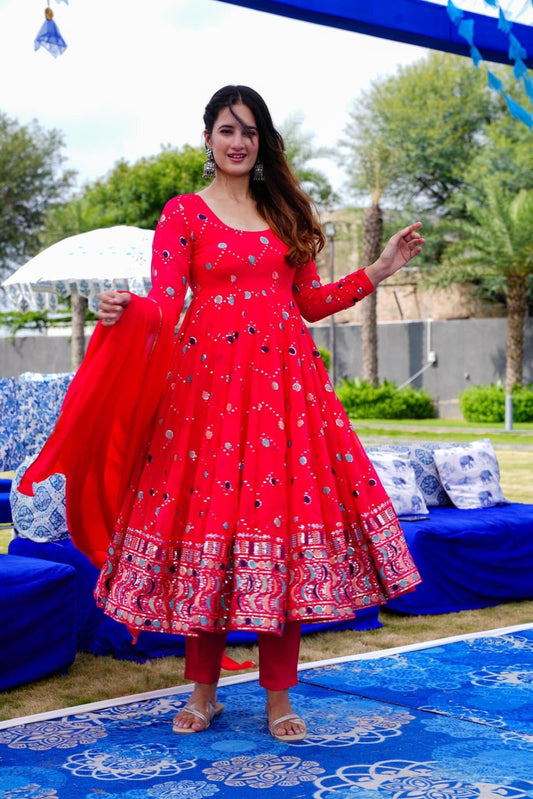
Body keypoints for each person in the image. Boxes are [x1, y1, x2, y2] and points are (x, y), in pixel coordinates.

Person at [20, 85, 423, 742]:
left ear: (262, 142)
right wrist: (125, 310)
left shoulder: (284, 214)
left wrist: (379, 268)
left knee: (280, 540)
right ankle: (203, 693)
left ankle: (278, 699)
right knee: (206, 539)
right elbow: (164, 302)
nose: (239, 142)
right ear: (207, 138)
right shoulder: (183, 213)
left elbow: (310, 303)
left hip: (286, 400)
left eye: (250, 131)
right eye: (228, 130)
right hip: (205, 400)